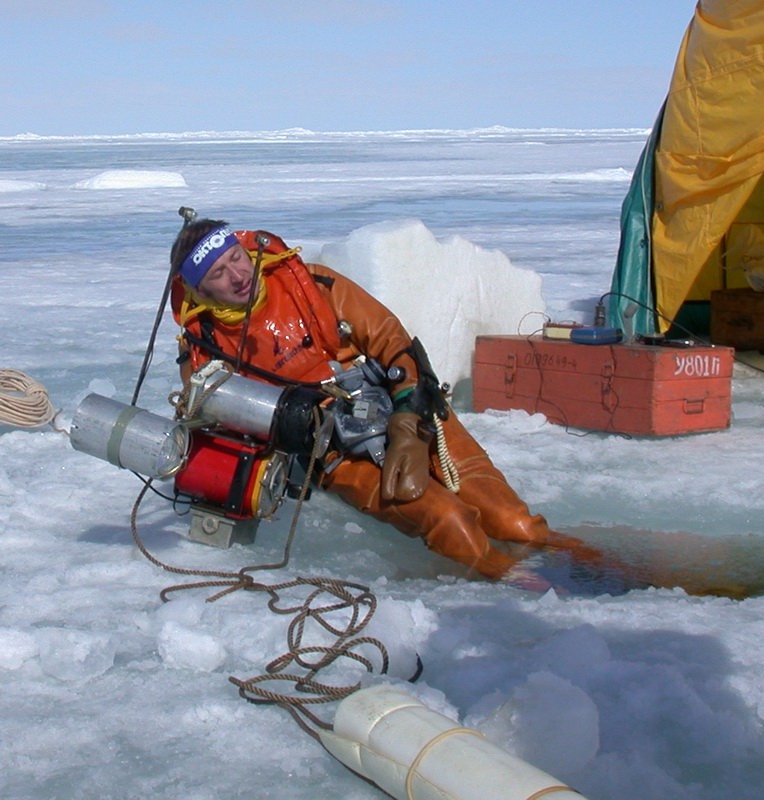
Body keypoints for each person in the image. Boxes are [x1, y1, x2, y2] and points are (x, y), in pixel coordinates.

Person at [169, 219, 611, 587]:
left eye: (236, 259)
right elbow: (217, 420)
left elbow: (391, 341)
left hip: (404, 408)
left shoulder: (309, 285)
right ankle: (521, 589)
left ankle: (606, 569)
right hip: (333, 453)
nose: (238, 275)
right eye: (219, 275)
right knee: (451, 522)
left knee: (514, 523)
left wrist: (406, 420)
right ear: (200, 291)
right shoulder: (204, 346)